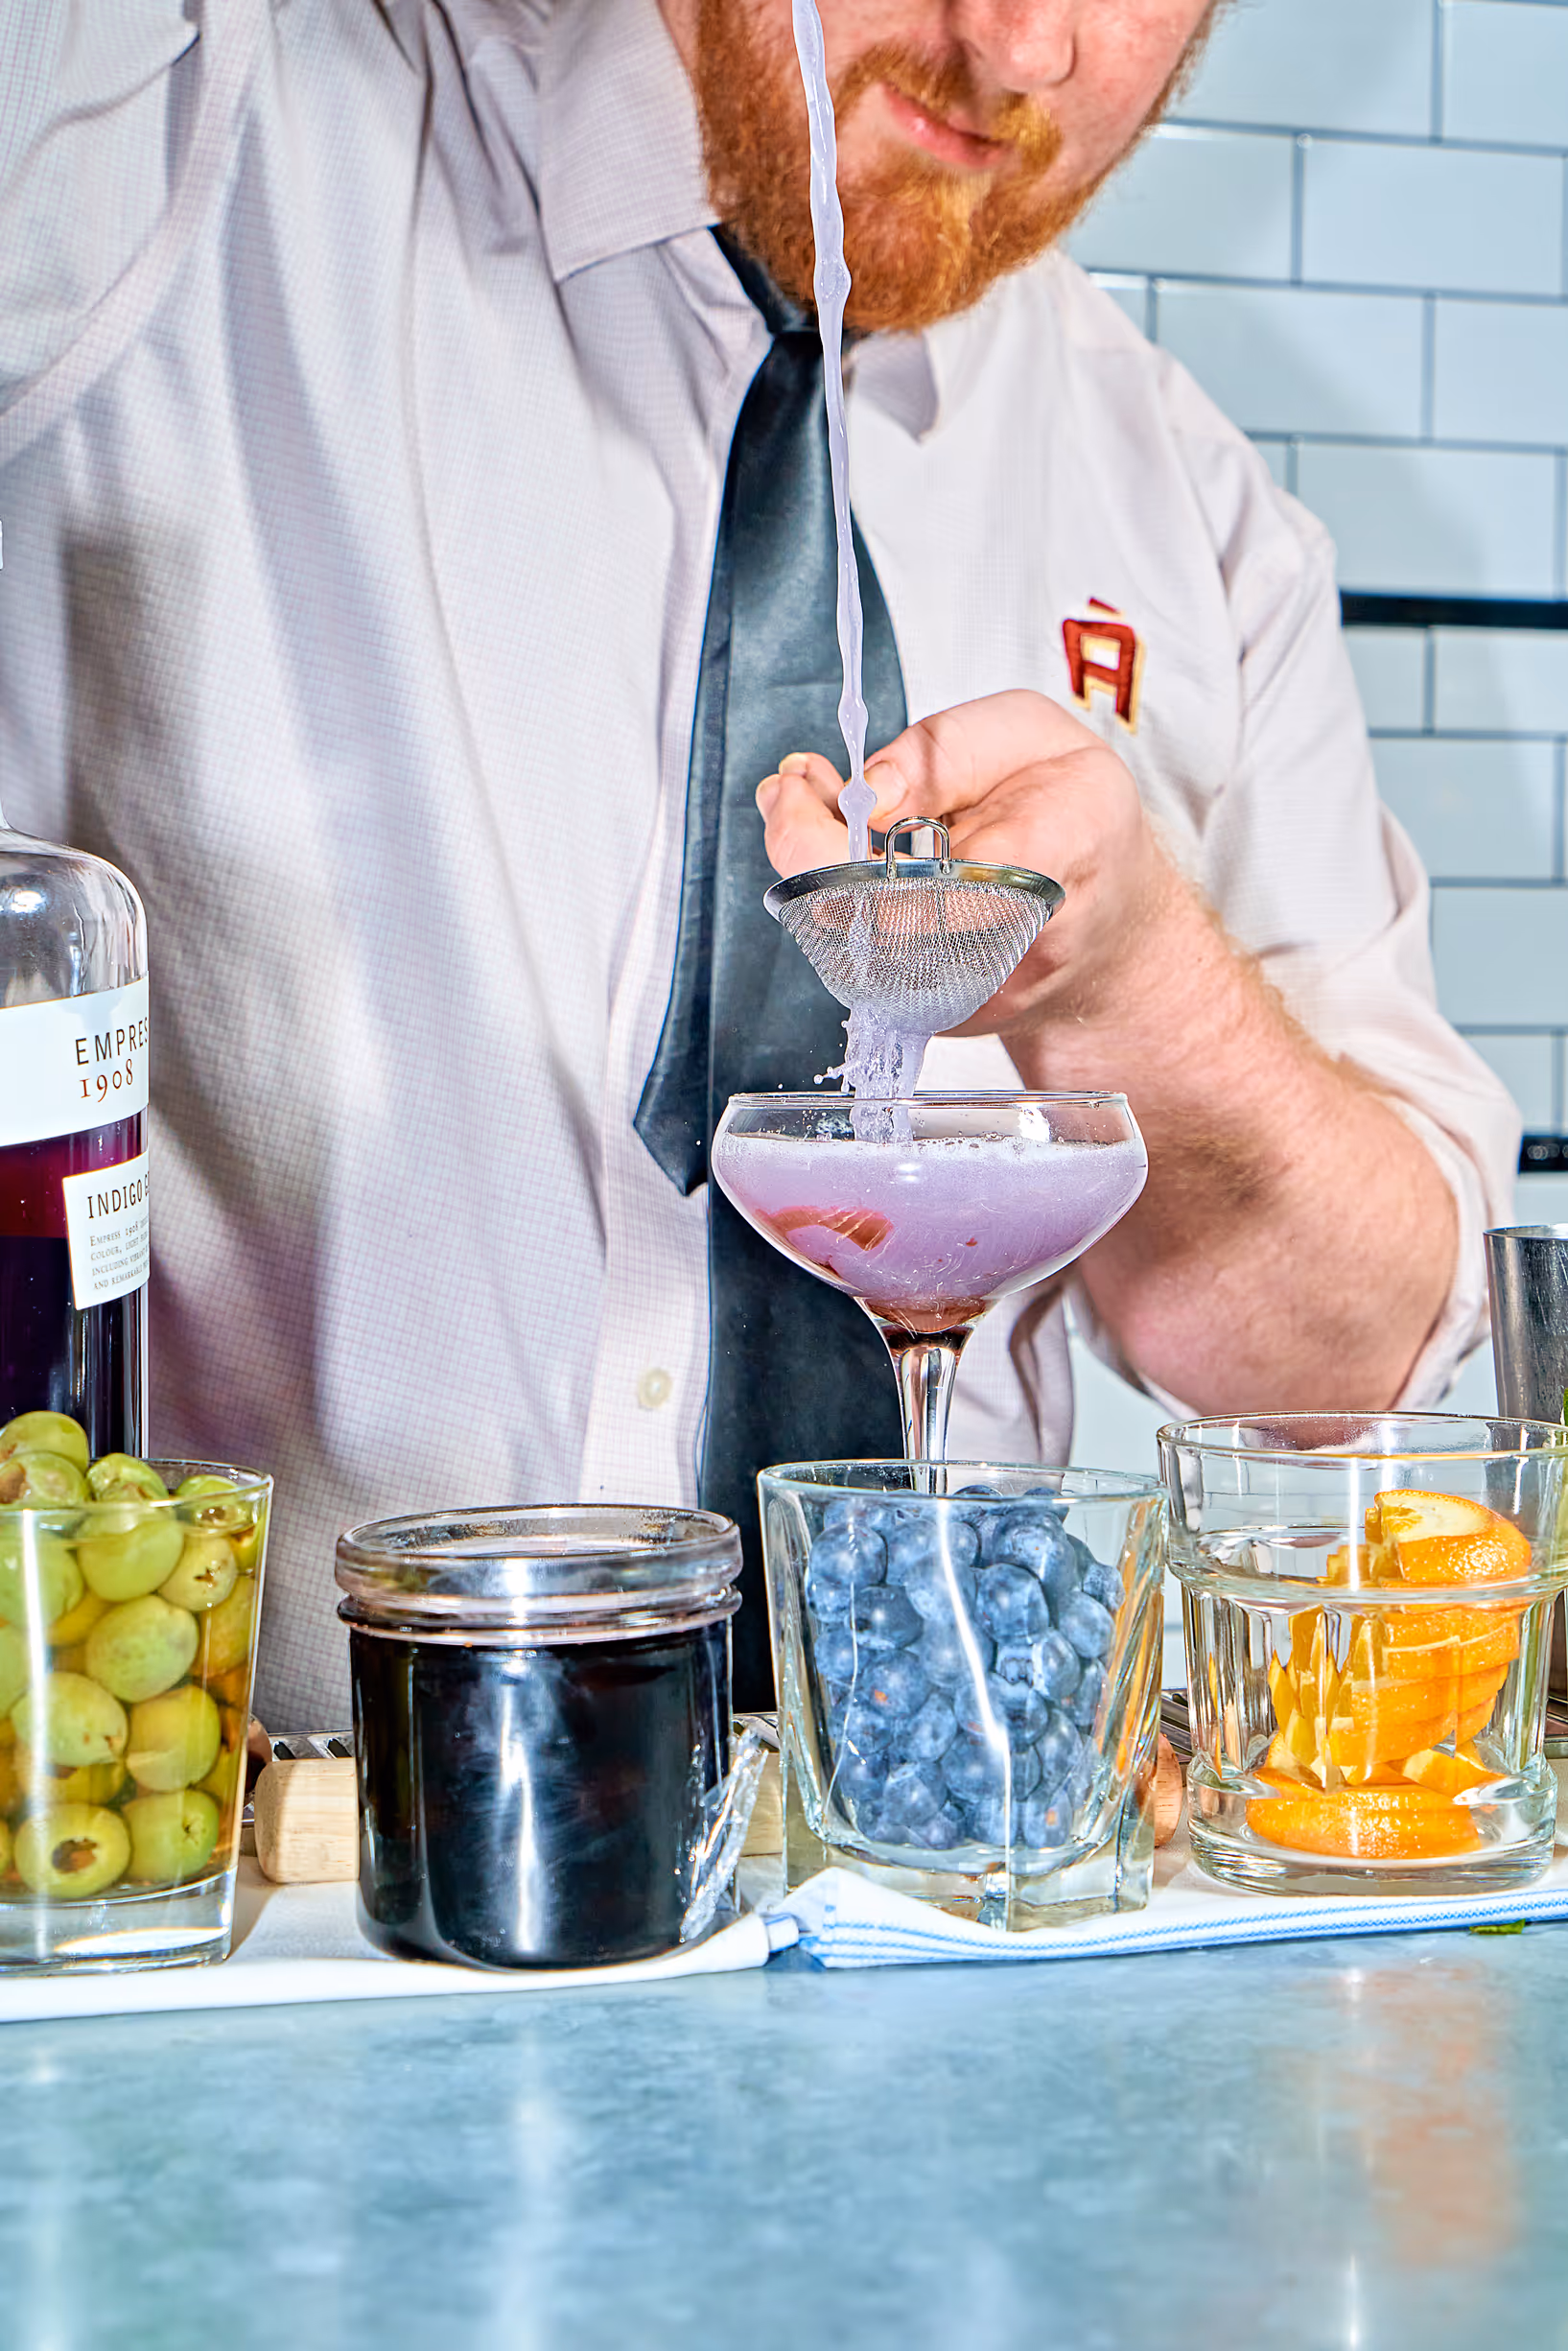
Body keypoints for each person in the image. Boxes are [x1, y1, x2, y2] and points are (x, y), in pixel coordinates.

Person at [0, 0, 1515, 1729]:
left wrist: (1128, 981)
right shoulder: (181, 126)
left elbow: (1348, 1369)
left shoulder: (1192, 512)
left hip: (942, 1843)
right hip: (253, 1821)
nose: (1023, 49)